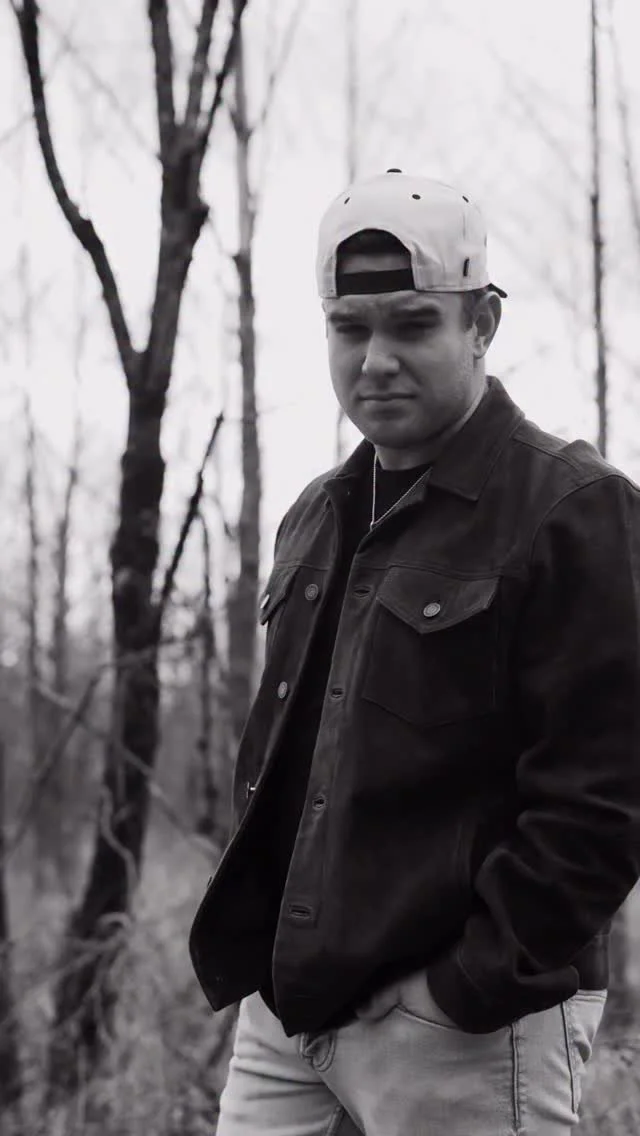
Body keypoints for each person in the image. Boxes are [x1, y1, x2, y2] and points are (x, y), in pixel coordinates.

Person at [189, 170, 640, 1135]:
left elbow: (606, 798)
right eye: (349, 328)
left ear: (482, 323)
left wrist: (467, 985)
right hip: (287, 1011)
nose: (377, 359)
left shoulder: (572, 507)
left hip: (460, 1027)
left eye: (412, 324)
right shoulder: (315, 514)